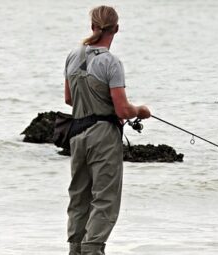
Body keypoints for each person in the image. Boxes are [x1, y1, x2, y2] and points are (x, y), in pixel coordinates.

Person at [63, 5, 151, 255]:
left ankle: (75, 249)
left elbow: (69, 99)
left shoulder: (72, 55)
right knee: (105, 199)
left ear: (92, 26)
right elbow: (123, 110)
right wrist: (141, 111)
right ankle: (92, 249)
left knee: (79, 197)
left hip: (77, 134)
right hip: (103, 136)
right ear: (116, 29)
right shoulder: (111, 62)